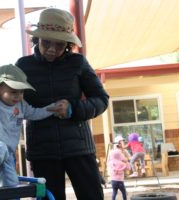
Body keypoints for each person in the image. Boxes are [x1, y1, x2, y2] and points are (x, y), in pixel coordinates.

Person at [15, 8, 109, 200]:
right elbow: (3, 97)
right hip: (43, 151)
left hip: (79, 148)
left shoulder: (78, 63)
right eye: (46, 42)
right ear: (37, 39)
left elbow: (101, 99)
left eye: (59, 45)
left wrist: (73, 108)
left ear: (67, 45)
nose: (51, 49)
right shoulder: (23, 66)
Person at [0, 64, 66, 193]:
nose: (18, 96)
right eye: (13, 92)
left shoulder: (21, 105)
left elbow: (35, 113)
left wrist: (52, 108)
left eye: (21, 92)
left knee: (12, 185)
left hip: (7, 153)